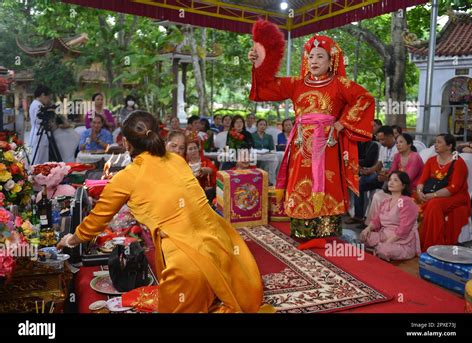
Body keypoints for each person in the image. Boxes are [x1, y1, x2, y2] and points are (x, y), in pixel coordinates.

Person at [57, 111, 263, 313]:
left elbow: (97, 220)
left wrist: (71, 240)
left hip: (188, 267)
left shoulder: (128, 176)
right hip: (224, 251)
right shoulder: (176, 160)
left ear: (127, 143)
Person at [249, 30, 374, 238]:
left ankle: (327, 232)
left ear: (330, 60)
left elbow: (365, 98)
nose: (314, 60)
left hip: (327, 144)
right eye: (311, 56)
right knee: (300, 180)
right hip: (301, 145)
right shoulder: (297, 83)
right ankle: (302, 230)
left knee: (328, 180)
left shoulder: (339, 84)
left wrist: (342, 124)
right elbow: (266, 88)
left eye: (320, 56)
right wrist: (259, 63)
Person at [416, 134, 471, 252]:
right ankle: (411, 243)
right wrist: (420, 191)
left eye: (439, 142)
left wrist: (433, 195)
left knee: (434, 205)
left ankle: (433, 246)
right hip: (432, 193)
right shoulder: (431, 161)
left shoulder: (458, 163)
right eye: (435, 142)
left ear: (449, 146)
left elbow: (453, 188)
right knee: (411, 198)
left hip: (455, 196)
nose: (436, 145)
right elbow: (422, 180)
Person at [360, 171, 421, 261]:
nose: (391, 182)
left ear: (403, 186)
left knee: (383, 249)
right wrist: (368, 228)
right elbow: (376, 220)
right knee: (364, 236)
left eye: (395, 180)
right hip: (384, 235)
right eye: (390, 180)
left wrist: (386, 243)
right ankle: (378, 248)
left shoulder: (404, 201)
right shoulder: (386, 201)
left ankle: (379, 249)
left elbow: (404, 228)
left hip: (401, 241)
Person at [366, 133, 424, 225]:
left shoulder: (415, 157)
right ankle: (373, 225)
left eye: (401, 142)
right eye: (397, 143)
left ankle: (386, 225)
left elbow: (407, 178)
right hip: (397, 189)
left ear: (409, 144)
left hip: (410, 190)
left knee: (380, 197)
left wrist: (388, 178)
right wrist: (385, 176)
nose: (398, 145)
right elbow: (392, 172)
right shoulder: (397, 156)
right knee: (377, 196)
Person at [349, 126, 397, 225]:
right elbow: (379, 163)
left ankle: (372, 222)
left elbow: (397, 168)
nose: (381, 142)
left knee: (374, 186)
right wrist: (369, 170)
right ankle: (359, 216)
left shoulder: (398, 148)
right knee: (357, 185)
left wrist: (387, 176)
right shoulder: (383, 147)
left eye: (383, 139)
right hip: (380, 175)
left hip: (392, 178)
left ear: (391, 136)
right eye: (379, 140)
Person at [29, 85, 52, 165]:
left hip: (38, 134)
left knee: (39, 160)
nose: (49, 100)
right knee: (38, 160)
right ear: (42, 95)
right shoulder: (38, 105)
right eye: (48, 97)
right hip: (39, 135)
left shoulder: (35, 104)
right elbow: (39, 121)